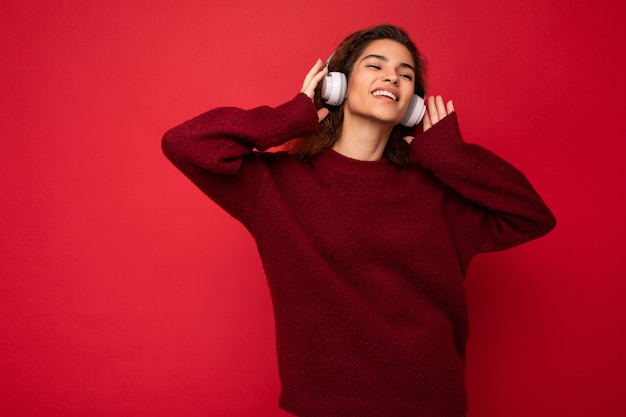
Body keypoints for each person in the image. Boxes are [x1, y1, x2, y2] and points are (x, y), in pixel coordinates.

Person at [162, 24, 555, 417]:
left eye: (405, 74)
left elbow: (531, 216)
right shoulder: (276, 185)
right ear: (337, 85)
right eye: (376, 65)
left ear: (412, 106)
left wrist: (452, 157)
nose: (392, 77)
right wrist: (292, 115)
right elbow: (185, 144)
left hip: (430, 405)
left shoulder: (437, 192)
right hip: (325, 406)